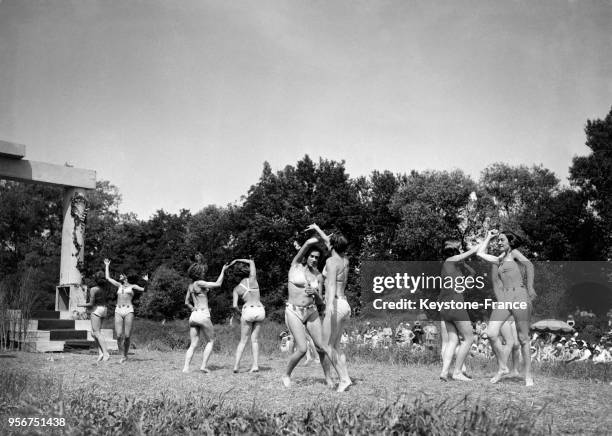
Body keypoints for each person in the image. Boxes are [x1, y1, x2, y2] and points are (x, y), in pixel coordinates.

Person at [282, 236, 345, 390]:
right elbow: (304, 248)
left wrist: (315, 293)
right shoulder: (295, 266)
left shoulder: (318, 276)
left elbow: (321, 301)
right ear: (306, 256)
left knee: (322, 347)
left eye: (317, 257)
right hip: (294, 311)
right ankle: (286, 374)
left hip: (311, 311)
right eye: (312, 256)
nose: (314, 259)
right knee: (303, 349)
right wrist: (312, 240)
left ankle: (329, 378)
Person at [478, 229, 536, 386]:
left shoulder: (514, 253)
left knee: (523, 339)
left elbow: (529, 266)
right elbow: (480, 253)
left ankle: (528, 375)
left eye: (502, 240)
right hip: (505, 299)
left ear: (510, 242)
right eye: (498, 240)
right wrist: (489, 237)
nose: (499, 242)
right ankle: (503, 368)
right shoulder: (499, 259)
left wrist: (530, 287)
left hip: (519, 295)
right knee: (490, 333)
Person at [307, 224, 352, 392]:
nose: (326, 244)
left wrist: (329, 307)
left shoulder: (331, 261)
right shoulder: (344, 260)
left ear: (332, 246)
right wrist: (317, 228)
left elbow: (331, 284)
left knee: (325, 345)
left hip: (335, 304)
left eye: (329, 243)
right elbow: (330, 241)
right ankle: (345, 379)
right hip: (345, 304)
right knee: (335, 346)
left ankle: (344, 379)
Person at [438, 240, 479, 382]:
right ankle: (457, 372)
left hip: (444, 307)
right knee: (469, 338)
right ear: (455, 253)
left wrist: (464, 265)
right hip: (455, 305)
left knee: (453, 340)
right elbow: (472, 252)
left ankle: (444, 372)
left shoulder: (453, 270)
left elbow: (472, 274)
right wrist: (486, 238)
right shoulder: (449, 261)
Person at [182, 260, 229, 373]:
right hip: (203, 314)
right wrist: (223, 270)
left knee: (193, 344)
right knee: (211, 341)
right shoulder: (199, 283)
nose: (204, 273)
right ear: (198, 273)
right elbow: (218, 284)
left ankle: (186, 368)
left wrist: (192, 308)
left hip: (194, 316)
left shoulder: (191, 286)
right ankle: (203, 366)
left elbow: (186, 302)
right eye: (202, 271)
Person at [104, 259, 147, 363]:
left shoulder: (133, 286)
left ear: (125, 277)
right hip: (118, 310)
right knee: (118, 335)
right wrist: (107, 265)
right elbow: (107, 278)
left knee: (127, 336)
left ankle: (125, 355)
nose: (119, 277)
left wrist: (146, 280)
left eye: (121, 276)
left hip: (128, 311)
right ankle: (122, 355)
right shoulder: (119, 285)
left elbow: (144, 289)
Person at [230, 258, 265, 373]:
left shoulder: (236, 289)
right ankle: (255, 365)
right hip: (260, 310)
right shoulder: (253, 279)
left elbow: (235, 306)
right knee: (254, 340)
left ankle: (236, 366)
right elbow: (251, 262)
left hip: (248, 310)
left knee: (243, 341)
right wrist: (238, 259)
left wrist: (240, 314)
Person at [77, 275, 110, 363]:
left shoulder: (93, 289)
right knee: (93, 333)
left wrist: (80, 305)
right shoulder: (105, 288)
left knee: (96, 333)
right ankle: (101, 353)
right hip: (104, 309)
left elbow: (91, 304)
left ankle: (106, 353)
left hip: (96, 310)